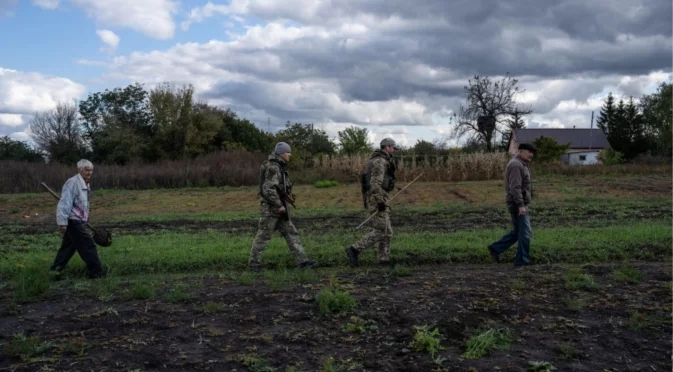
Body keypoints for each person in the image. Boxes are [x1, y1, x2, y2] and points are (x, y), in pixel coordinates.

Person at [248, 142, 318, 271]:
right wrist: (279, 205)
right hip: (271, 209)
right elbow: (268, 188)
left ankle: (302, 262)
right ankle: (253, 264)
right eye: (288, 152)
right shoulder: (274, 168)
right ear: (281, 153)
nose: (290, 155)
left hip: (279, 209)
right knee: (263, 236)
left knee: (291, 233)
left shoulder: (278, 166)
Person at [345, 138, 398, 267]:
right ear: (386, 147)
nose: (393, 151)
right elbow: (375, 183)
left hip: (381, 196)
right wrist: (379, 201)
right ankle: (354, 249)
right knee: (382, 230)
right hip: (377, 198)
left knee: (387, 230)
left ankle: (383, 259)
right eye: (392, 148)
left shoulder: (382, 160)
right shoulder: (379, 161)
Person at [50, 159, 105, 279]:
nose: (89, 173)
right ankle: (96, 272)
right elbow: (64, 203)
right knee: (88, 245)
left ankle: (55, 271)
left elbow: (82, 204)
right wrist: (62, 223)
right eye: (86, 170)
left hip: (79, 220)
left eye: (91, 170)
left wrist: (85, 218)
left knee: (68, 248)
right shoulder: (73, 183)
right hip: (72, 220)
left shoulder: (85, 183)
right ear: (79, 170)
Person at [488, 143, 535, 268]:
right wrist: (520, 205)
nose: (531, 154)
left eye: (532, 152)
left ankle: (495, 248)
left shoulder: (521, 164)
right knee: (525, 233)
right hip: (516, 203)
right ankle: (521, 261)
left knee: (517, 232)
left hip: (517, 202)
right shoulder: (516, 165)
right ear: (520, 151)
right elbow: (515, 187)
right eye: (529, 151)